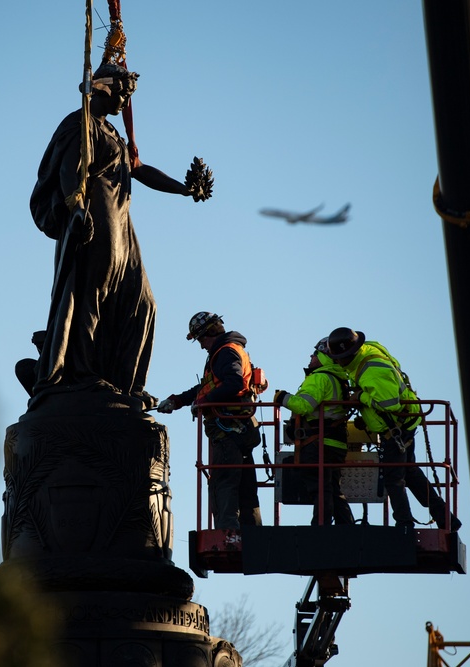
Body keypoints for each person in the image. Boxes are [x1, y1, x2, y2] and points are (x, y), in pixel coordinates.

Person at [28, 61, 208, 409]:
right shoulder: (80, 123)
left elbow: (139, 170)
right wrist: (76, 207)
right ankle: (82, 374)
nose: (127, 101)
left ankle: (128, 384)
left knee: (143, 302)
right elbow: (70, 169)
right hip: (97, 214)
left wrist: (183, 190)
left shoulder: (112, 133)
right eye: (124, 92)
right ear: (104, 87)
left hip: (122, 223)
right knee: (91, 292)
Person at [325, 327, 461, 532]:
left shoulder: (370, 369)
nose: (337, 362)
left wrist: (360, 398)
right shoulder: (369, 352)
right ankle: (445, 517)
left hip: (396, 428)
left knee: (393, 477)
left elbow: (389, 404)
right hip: (404, 422)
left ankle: (404, 525)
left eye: (338, 358)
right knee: (410, 472)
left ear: (347, 356)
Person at [157, 312, 264, 530]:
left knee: (223, 482)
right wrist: (178, 401)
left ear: (210, 333)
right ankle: (253, 533)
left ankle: (227, 533)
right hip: (241, 429)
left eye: (201, 340)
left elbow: (233, 383)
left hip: (228, 430)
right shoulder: (231, 351)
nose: (201, 346)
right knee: (245, 487)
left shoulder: (225, 353)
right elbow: (209, 386)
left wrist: (206, 401)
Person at [272, 338, 355, 526]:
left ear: (325, 357)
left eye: (315, 353)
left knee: (320, 488)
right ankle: (347, 527)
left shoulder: (320, 377)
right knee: (333, 489)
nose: (311, 356)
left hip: (318, 444)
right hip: (336, 444)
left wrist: (281, 397)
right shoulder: (339, 379)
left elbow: (303, 406)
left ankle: (320, 527)